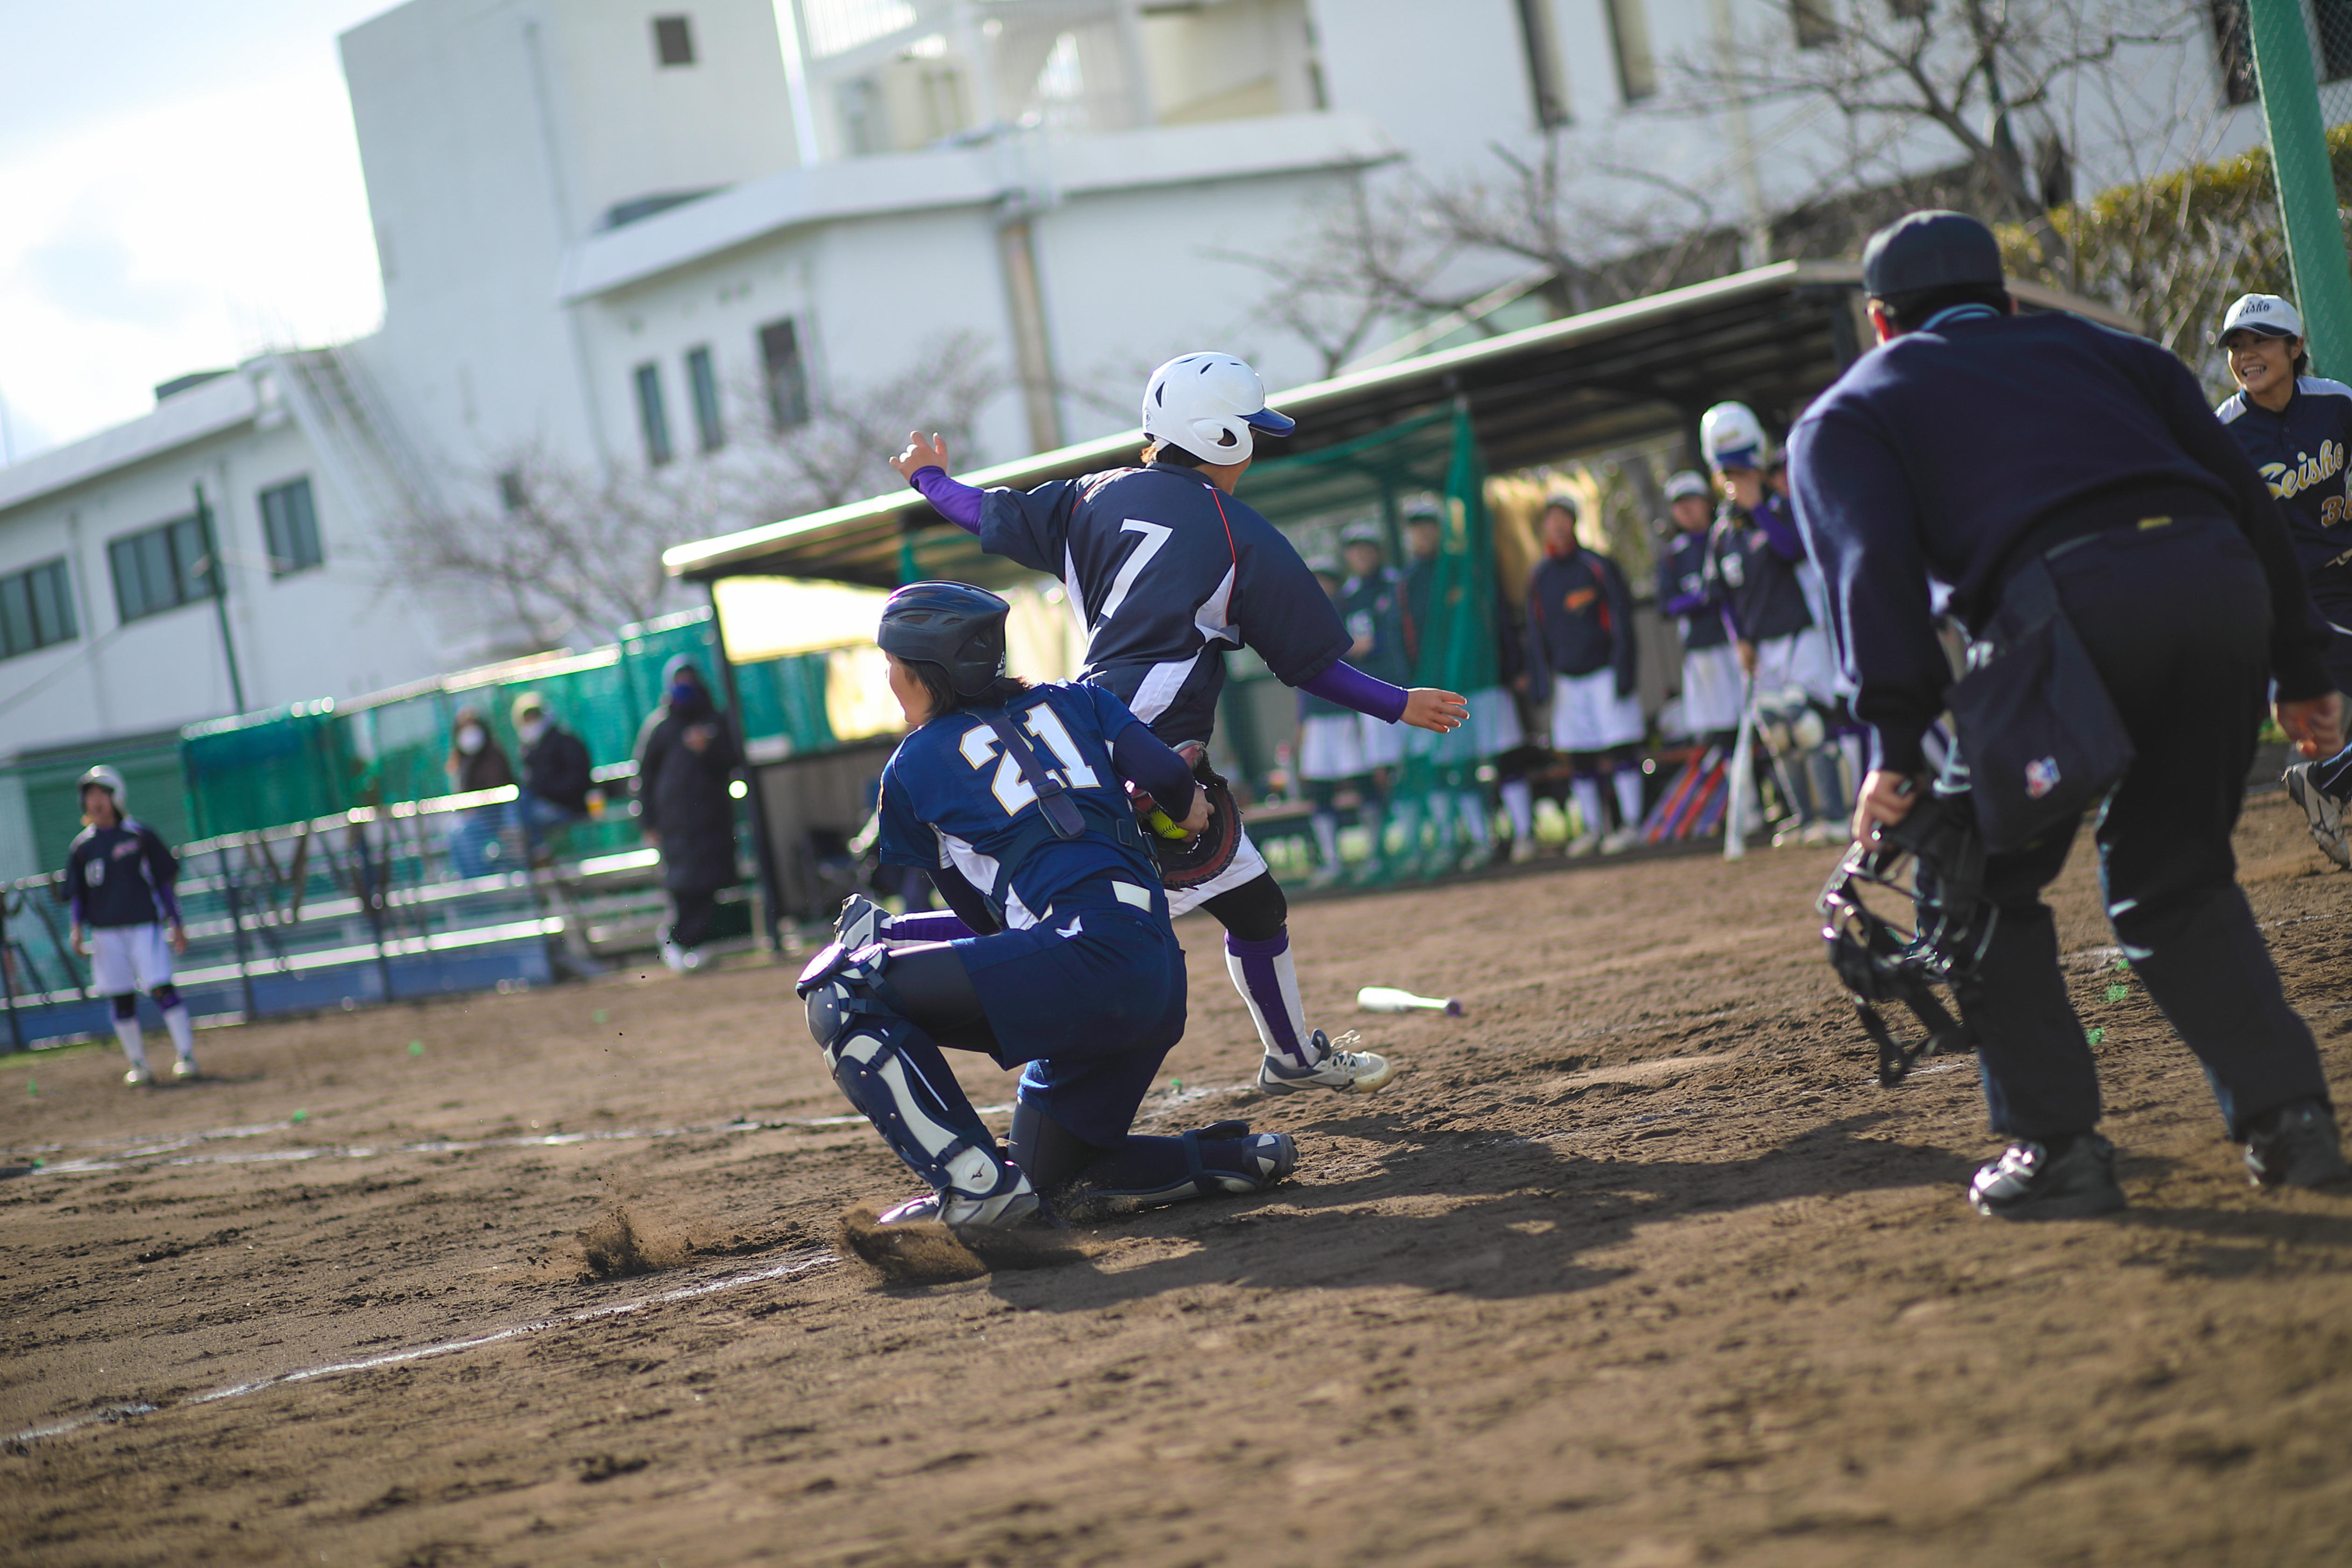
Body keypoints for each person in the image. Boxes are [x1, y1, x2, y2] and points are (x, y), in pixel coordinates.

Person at [1787, 208, 2349, 1219]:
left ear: (1880, 323)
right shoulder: (2118, 354)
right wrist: (2303, 670)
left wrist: (1897, 749)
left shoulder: (1848, 412)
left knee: (1978, 883)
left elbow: (1871, 581)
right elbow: (2246, 500)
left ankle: (2060, 1151)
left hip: (2067, 612)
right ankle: (2291, 1124)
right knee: (2174, 878)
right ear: (2006, 301)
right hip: (2218, 589)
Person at [887, 352, 1468, 1096]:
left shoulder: (1091, 494)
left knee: (1241, 900)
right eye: (1250, 430)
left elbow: (985, 512)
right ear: (1222, 438)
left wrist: (928, 477)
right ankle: (921, 969)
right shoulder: (1239, 533)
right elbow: (1310, 666)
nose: (1256, 445)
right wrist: (1398, 702)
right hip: (1148, 753)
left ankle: (1290, 1057)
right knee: (1081, 925)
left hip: (1074, 730)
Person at [801, 582, 1296, 1234]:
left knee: (840, 990)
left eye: (891, 663)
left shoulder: (913, 767)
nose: (888, 677)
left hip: (1078, 966)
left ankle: (971, 1182)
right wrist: (1186, 809)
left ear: (925, 673)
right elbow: (1173, 780)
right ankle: (1222, 1159)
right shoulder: (1080, 699)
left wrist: (895, 934)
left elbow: (986, 925)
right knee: (1047, 1183)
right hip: (1152, 972)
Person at [2210, 292, 2352, 868]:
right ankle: (2328, 780)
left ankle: (2327, 782)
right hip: (2299, 598)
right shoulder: (2222, 433)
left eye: (2262, 340)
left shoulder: (2337, 403)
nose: (2247, 354)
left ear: (2296, 348)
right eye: (2237, 346)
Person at [1701, 402, 1843, 844]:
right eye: (1730, 478)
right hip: (1760, 646)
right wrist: (1739, 639)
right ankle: (1803, 818)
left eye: (1743, 475)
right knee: (1777, 732)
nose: (1736, 485)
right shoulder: (1723, 533)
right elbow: (1721, 594)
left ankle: (1835, 816)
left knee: (1808, 725)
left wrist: (1759, 507)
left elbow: (1792, 550)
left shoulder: (1780, 509)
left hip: (1799, 634)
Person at [1400, 504, 1525, 869]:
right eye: (1415, 530)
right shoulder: (1407, 582)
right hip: (1439, 692)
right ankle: (1479, 842)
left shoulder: (1465, 566)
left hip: (1484, 682)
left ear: (1440, 531)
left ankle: (1524, 836)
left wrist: (1511, 664)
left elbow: (1497, 618)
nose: (1422, 536)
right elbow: (1404, 640)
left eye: (1428, 527)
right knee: (1457, 766)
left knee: (1507, 758)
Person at [1522, 495, 1645, 854]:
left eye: (1564, 519)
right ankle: (1594, 829)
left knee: (1620, 747)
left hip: (1605, 672)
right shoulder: (1539, 576)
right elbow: (1536, 632)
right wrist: (1541, 681)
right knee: (1579, 756)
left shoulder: (1597, 566)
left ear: (1575, 523)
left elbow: (1623, 621)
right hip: (1567, 680)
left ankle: (1631, 823)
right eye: (1550, 520)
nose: (1557, 527)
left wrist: (1625, 669)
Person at [63, 766, 197, 1086]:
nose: (95, 803)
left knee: (161, 985)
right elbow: (77, 896)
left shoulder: (139, 835)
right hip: (106, 932)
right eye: (89, 797)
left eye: (101, 795)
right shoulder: (82, 847)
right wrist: (77, 929)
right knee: (121, 996)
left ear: (116, 797)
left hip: (143, 927)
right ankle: (138, 1064)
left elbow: (164, 883)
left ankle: (186, 1055)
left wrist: (177, 923)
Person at [634, 656, 743, 973]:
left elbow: (732, 759)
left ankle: (693, 943)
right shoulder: (660, 726)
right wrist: (648, 821)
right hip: (676, 825)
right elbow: (644, 777)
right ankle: (677, 940)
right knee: (683, 885)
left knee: (709, 883)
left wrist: (707, 750)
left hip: (712, 820)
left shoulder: (714, 720)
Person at [1338, 520, 1414, 877]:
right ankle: (1390, 847)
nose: (1362, 555)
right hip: (1371, 696)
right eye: (1355, 550)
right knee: (1383, 772)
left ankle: (1420, 840)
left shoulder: (1397, 585)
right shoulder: (1349, 597)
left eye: (1368, 548)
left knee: (1414, 763)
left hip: (1409, 690)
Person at [1295, 556, 1374, 885]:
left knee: (1363, 783)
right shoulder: (1298, 620)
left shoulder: (1349, 613)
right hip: (1316, 718)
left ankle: (1375, 855)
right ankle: (1331, 861)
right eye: (1316, 579)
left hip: (1346, 712)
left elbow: (1363, 651)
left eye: (1327, 580)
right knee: (1320, 790)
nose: (1321, 586)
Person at [1655, 469, 1741, 748]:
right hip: (1701, 649)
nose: (1687, 509)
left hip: (1738, 644)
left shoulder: (1727, 535)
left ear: (1707, 501)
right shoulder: (1673, 554)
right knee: (1719, 732)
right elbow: (1666, 606)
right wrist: (1703, 599)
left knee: (1753, 722)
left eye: (1692, 500)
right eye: (1679, 505)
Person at [512, 691, 595, 851]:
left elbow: (577, 782)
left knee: (523, 814)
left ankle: (537, 853)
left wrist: (546, 790)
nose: (531, 723)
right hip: (542, 806)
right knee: (519, 806)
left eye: (534, 717)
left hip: (568, 808)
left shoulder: (565, 741)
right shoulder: (528, 750)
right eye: (526, 720)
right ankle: (533, 855)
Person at [444, 705, 518, 879]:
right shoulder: (460, 761)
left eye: (473, 727)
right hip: (476, 818)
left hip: (496, 815)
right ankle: (469, 884)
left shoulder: (494, 754)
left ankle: (480, 885)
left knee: (464, 831)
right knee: (453, 830)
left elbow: (498, 789)